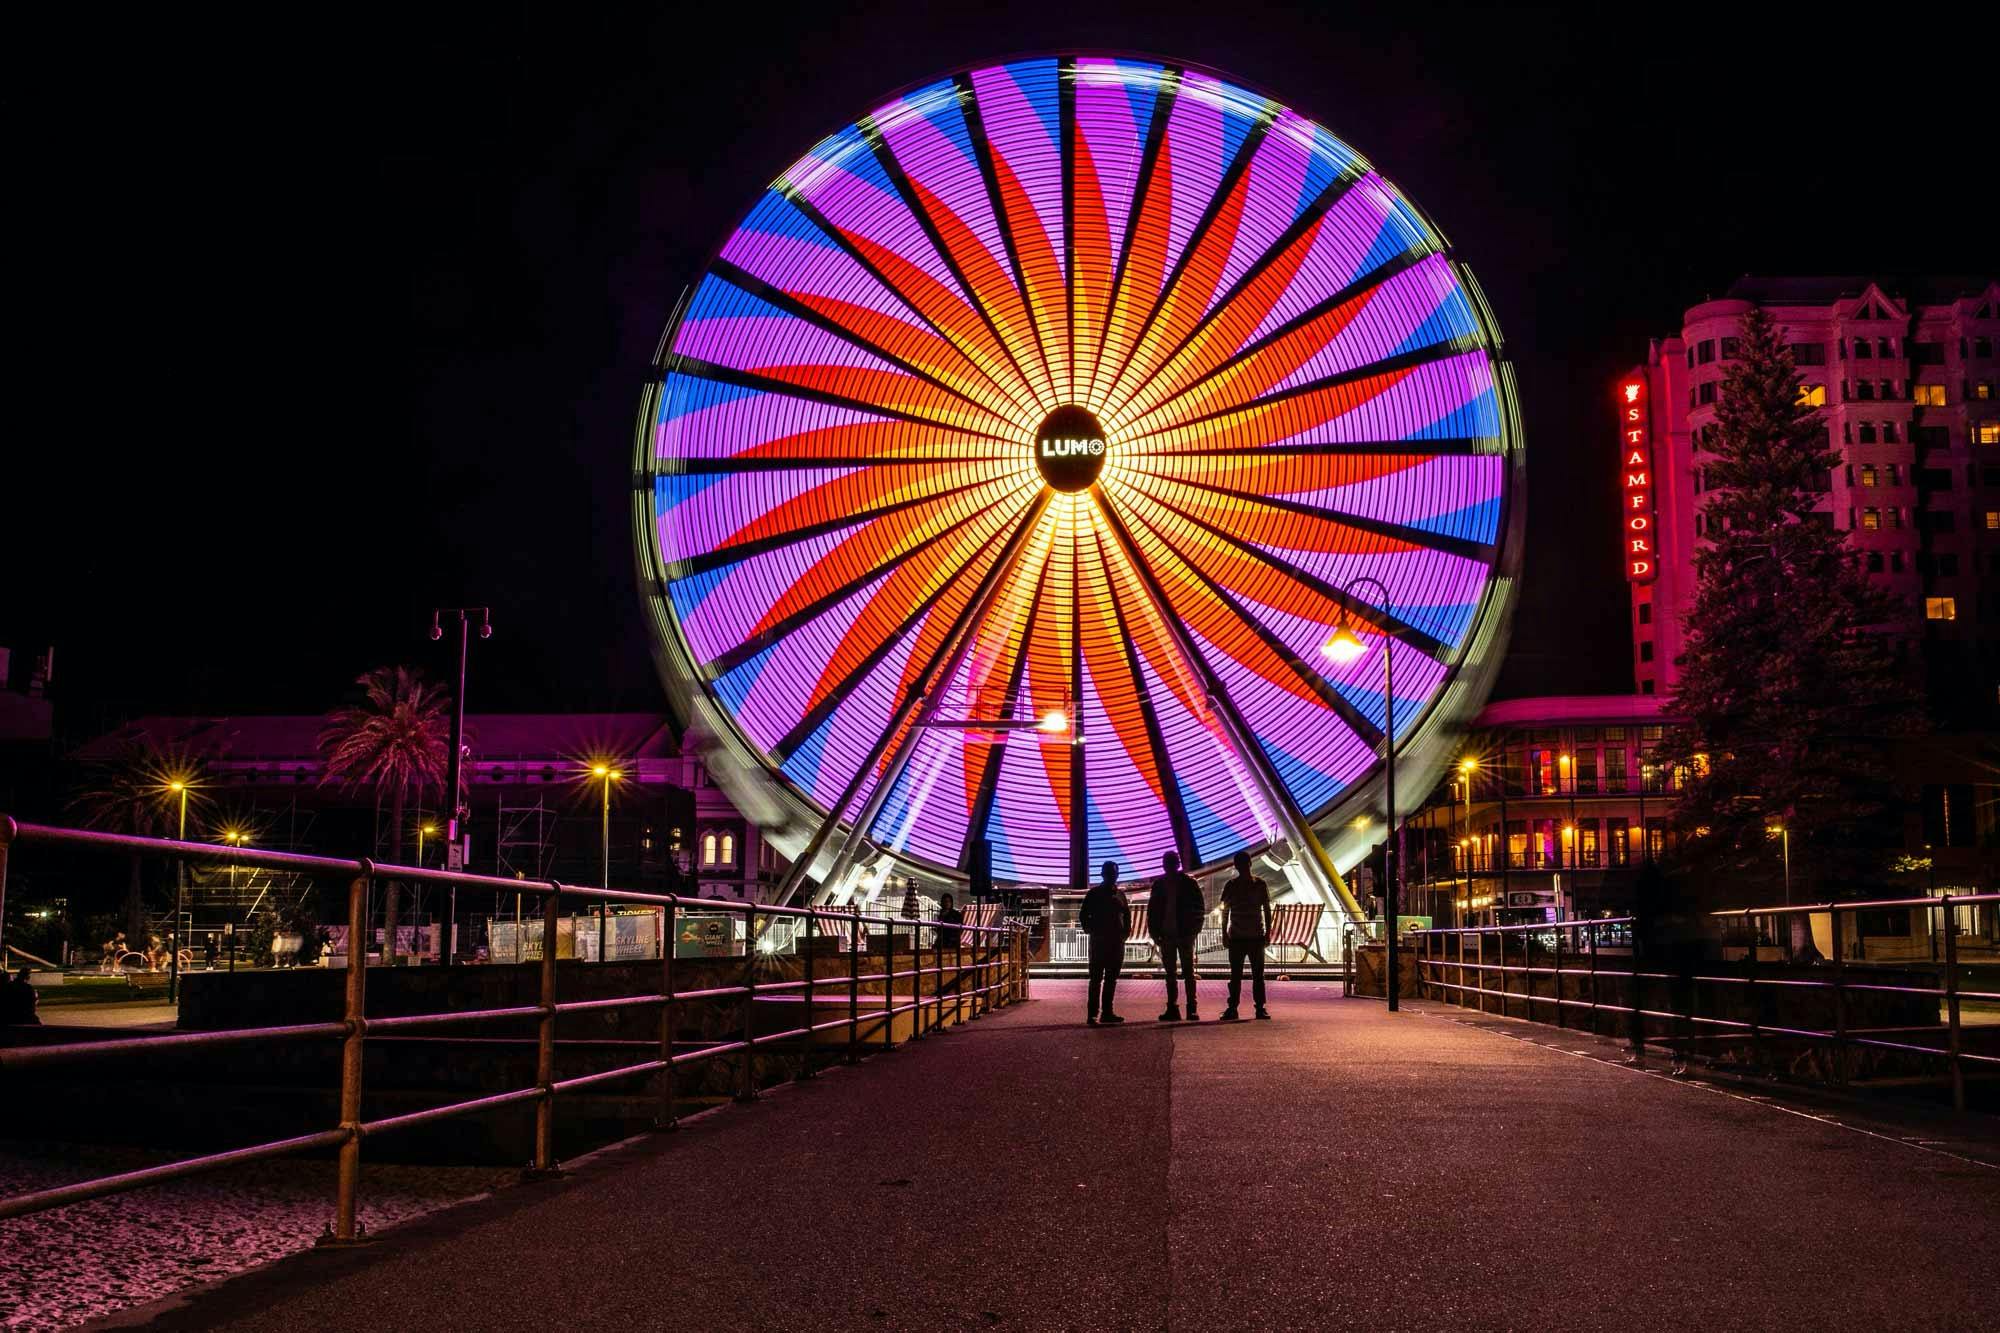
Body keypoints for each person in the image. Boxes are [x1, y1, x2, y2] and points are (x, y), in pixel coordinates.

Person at [1148, 851, 1205, 1022]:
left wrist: (1154, 932)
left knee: (1171, 974)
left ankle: (1173, 1008)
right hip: (1184, 934)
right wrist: (1194, 930)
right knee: (1188, 972)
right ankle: (1191, 1009)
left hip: (1168, 935)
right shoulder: (1189, 883)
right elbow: (1199, 908)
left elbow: (1152, 911)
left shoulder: (1159, 885)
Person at [1219, 851, 1272, 1021]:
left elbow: (1225, 911)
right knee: (1258, 975)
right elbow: (1267, 910)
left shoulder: (1231, 885)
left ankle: (1233, 1007)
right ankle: (1260, 1008)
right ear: (1251, 863)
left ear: (1236, 866)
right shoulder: (1260, 884)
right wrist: (1268, 932)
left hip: (1237, 936)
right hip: (1255, 935)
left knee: (1235, 975)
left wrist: (1224, 933)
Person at [1078, 860, 1131, 1026]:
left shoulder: (1095, 893)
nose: (1112, 876)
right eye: (1111, 873)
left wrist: (1091, 929)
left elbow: (1083, 915)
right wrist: (1124, 933)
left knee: (1104, 979)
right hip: (1105, 941)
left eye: (1113, 873)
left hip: (1108, 941)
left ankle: (1099, 1013)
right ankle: (1100, 1013)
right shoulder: (1116, 895)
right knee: (1101, 979)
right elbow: (1127, 916)